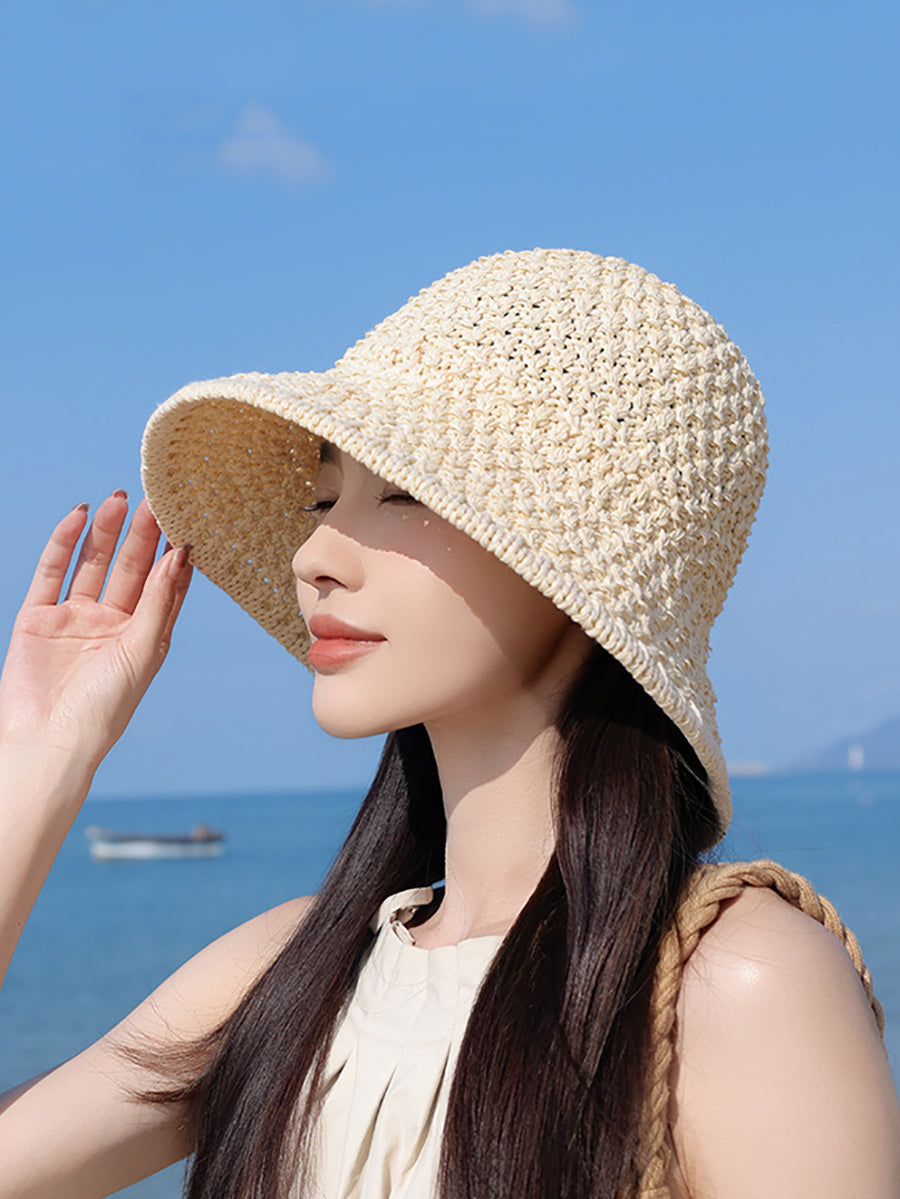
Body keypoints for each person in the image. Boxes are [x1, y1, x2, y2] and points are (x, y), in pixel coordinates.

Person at [0, 249, 898, 1199]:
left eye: (403, 493)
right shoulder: (289, 976)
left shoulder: (734, 980)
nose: (315, 555)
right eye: (320, 498)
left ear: (573, 571)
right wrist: (39, 756)